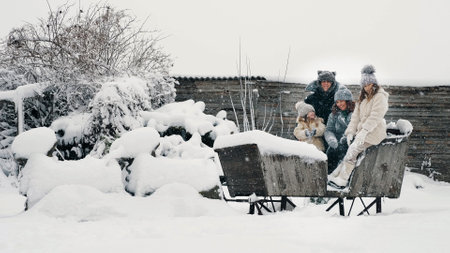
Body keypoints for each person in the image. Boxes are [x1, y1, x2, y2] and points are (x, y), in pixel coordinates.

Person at [328, 65, 389, 189]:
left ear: (374, 84)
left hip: (374, 132)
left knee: (352, 150)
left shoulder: (380, 96)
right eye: (364, 85)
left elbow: (376, 116)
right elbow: (355, 118)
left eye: (369, 84)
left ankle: (342, 179)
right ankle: (336, 175)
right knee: (350, 150)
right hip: (363, 133)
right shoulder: (363, 99)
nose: (366, 87)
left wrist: (365, 131)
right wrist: (350, 132)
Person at [324, 88, 355, 174]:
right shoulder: (333, 115)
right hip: (337, 143)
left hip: (351, 142)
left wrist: (347, 138)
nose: (339, 104)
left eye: (341, 101)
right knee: (331, 152)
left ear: (348, 101)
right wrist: (331, 139)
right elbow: (329, 130)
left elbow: (357, 128)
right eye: (337, 102)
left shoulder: (356, 113)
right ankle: (328, 175)